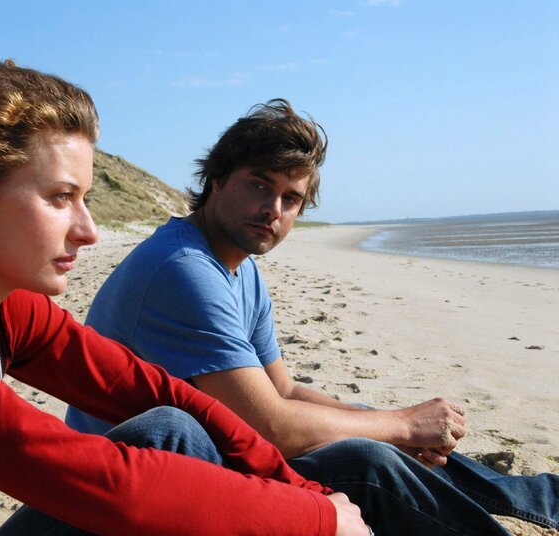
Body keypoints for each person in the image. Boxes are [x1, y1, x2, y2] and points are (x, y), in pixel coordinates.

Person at [0, 59, 371, 535]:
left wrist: (307, 493)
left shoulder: (2, 313)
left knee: (172, 429)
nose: (88, 230)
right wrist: (318, 521)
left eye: (85, 199)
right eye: (60, 198)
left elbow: (163, 393)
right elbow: (100, 482)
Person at [66, 99, 559, 534]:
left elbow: (283, 391)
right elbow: (272, 426)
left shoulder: (238, 267)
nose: (272, 209)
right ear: (217, 181)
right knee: (366, 459)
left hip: (196, 460)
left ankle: (542, 499)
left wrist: (393, 424)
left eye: (291, 198)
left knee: (366, 423)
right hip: (138, 488)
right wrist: (404, 426)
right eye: (259, 185)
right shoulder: (182, 268)